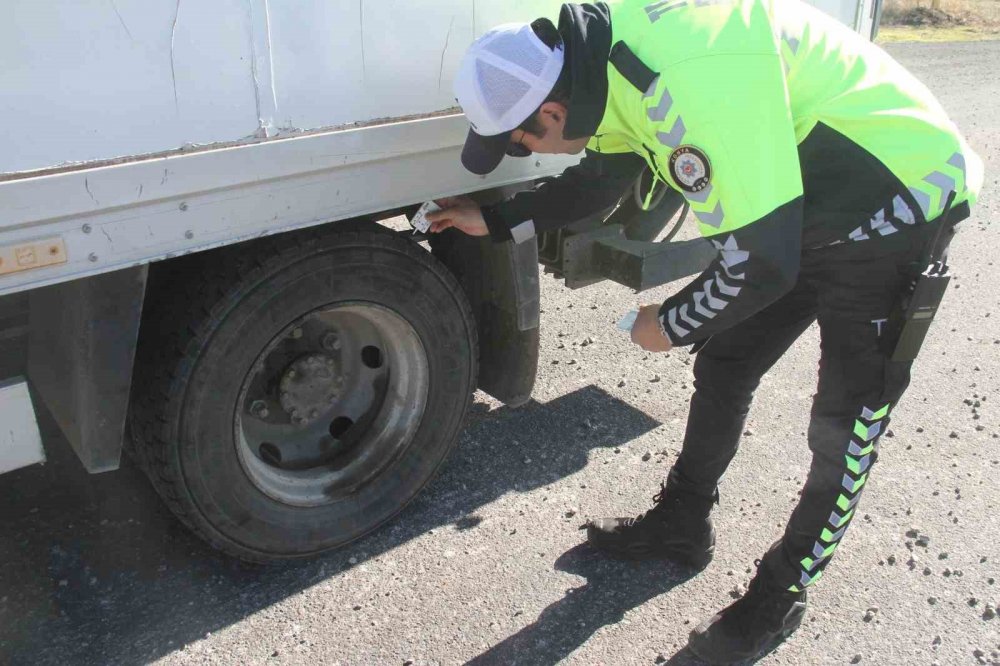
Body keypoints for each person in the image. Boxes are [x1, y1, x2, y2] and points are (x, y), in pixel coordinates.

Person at [426, 0, 983, 662]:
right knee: (726, 363)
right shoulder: (590, 67)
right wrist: (496, 220)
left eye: (515, 143)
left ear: (547, 113)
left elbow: (763, 264)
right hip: (805, 195)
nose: (523, 153)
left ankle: (780, 596)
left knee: (846, 424)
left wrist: (672, 322)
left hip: (900, 195)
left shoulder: (677, 84)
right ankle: (682, 524)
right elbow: (601, 177)